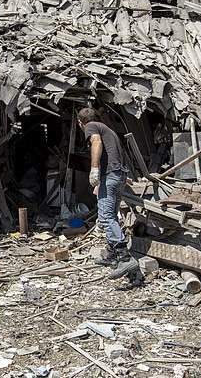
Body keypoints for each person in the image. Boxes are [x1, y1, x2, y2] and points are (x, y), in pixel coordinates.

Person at [77, 107, 138, 279]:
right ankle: (112, 255)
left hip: (110, 176)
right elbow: (117, 153)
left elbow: (96, 143)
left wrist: (94, 169)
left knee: (106, 217)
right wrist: (122, 176)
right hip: (118, 175)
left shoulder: (91, 127)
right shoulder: (107, 129)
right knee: (110, 214)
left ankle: (125, 258)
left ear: (80, 122)